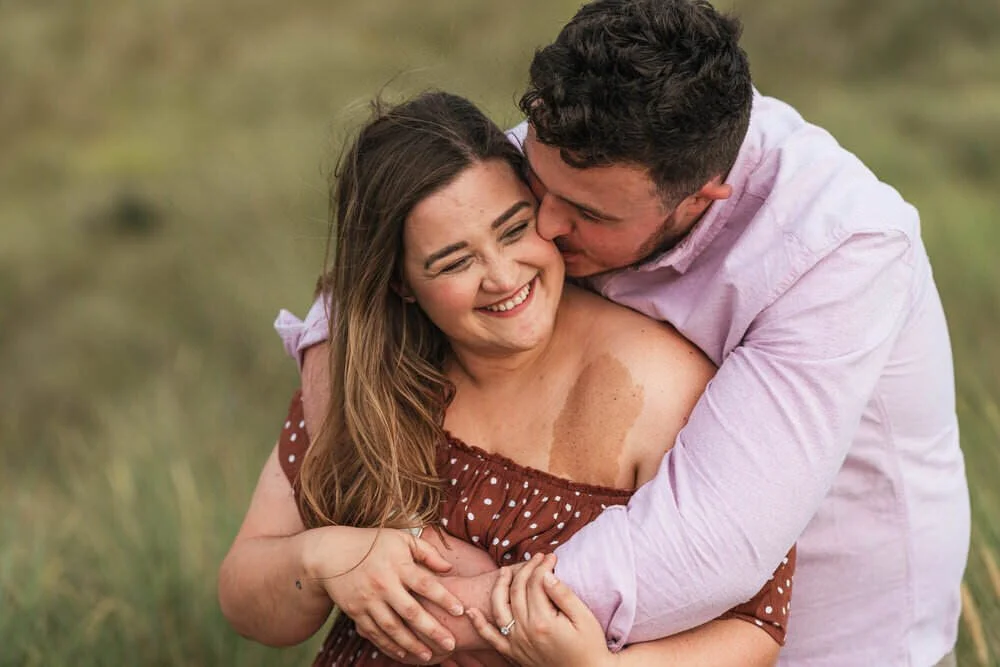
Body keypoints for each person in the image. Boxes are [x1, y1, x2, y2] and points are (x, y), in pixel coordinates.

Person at [282, 1, 970, 666]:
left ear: (702, 197)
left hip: (827, 638)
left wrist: (423, 604)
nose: (544, 228)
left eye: (582, 213)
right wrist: (377, 503)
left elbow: (708, 541)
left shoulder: (842, 249)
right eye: (534, 187)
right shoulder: (587, 143)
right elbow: (376, 277)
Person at [219, 90, 796, 666]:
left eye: (514, 229)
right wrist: (324, 559)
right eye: (454, 261)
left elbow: (757, 624)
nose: (502, 276)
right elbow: (246, 601)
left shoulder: (669, 383)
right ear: (400, 283)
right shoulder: (369, 377)